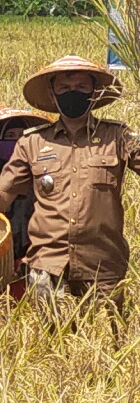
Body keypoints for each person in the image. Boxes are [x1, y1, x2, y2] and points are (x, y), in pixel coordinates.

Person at [0, 56, 140, 315]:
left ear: (94, 92)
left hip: (103, 267)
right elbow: (4, 194)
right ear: (52, 93)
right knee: (50, 346)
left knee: (107, 344)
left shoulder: (117, 136)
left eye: (82, 87)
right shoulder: (32, 143)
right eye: (64, 88)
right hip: (48, 268)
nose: (73, 93)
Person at [0, 107, 50, 299]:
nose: (17, 141)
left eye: (22, 135)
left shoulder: (41, 176)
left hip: (31, 261)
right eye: (10, 135)